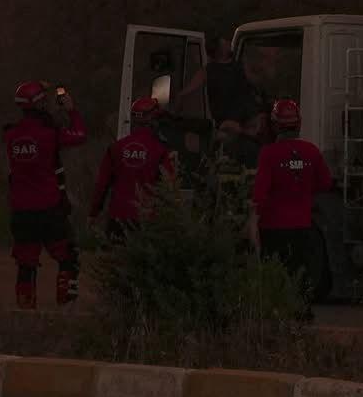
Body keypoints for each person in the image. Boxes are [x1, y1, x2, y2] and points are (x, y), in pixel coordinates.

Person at [4, 81, 88, 308]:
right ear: (40, 103)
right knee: (67, 256)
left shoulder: (11, 135)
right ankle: (66, 306)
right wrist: (71, 110)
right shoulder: (50, 133)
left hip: (21, 212)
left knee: (26, 264)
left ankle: (25, 312)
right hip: (49, 209)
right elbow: (80, 135)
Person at [250, 98, 335, 312]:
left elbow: (259, 193)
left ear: (275, 125)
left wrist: (252, 221)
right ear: (299, 123)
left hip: (273, 228)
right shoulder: (311, 152)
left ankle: (278, 312)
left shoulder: (269, 154)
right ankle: (300, 311)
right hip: (303, 226)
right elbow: (325, 182)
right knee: (301, 272)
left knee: (276, 273)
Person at [90, 97, 176, 239]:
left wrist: (93, 213)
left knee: (114, 259)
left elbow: (101, 184)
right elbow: (169, 185)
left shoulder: (116, 148)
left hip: (118, 219)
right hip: (147, 220)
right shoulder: (160, 150)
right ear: (153, 120)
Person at [181, 32, 264, 163]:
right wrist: (177, 98)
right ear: (220, 50)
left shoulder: (239, 66)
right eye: (224, 42)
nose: (228, 43)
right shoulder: (209, 70)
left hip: (247, 119)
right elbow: (190, 88)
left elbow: (255, 82)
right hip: (228, 125)